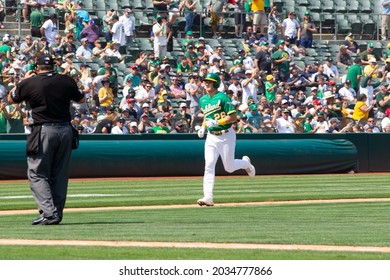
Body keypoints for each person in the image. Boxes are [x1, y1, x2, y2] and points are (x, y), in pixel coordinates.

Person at [8, 54, 85, 225]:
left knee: (37, 172)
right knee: (59, 173)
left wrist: (22, 81)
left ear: (36, 67)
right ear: (54, 66)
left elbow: (11, 98)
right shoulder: (66, 80)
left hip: (44, 129)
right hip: (65, 129)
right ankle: (55, 212)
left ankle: (49, 213)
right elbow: (82, 98)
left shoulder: (30, 82)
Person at [196, 73, 256, 206]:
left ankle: (246, 164)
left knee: (229, 167)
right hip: (211, 136)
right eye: (205, 81)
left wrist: (217, 122)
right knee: (209, 166)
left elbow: (233, 117)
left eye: (210, 82)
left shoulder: (222, 97)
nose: (206, 83)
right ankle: (208, 197)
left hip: (226, 134)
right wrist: (203, 127)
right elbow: (207, 115)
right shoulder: (203, 99)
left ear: (216, 83)